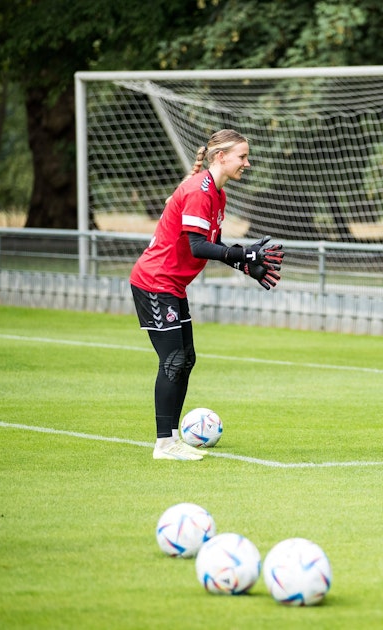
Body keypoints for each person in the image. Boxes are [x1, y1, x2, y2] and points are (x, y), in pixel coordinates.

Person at [130, 129, 284, 461]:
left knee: (186, 359)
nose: (247, 163)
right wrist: (245, 254)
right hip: (155, 281)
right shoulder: (199, 192)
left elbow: (210, 245)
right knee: (173, 360)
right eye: (242, 156)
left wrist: (246, 266)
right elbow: (197, 247)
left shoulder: (217, 195)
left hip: (172, 285)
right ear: (221, 157)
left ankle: (172, 439)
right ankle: (164, 444)